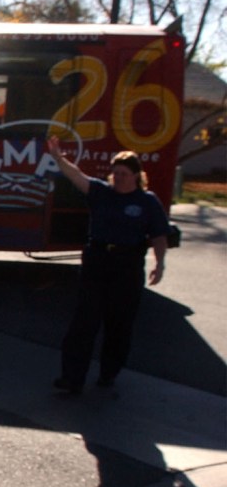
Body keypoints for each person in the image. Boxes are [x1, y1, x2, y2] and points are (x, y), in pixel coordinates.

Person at [46, 135, 169, 394]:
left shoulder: (147, 202)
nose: (119, 178)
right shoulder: (101, 193)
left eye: (124, 174)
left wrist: (160, 263)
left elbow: (159, 235)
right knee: (84, 321)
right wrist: (58, 158)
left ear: (136, 176)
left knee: (119, 324)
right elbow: (77, 176)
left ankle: (108, 373)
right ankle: (72, 378)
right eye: (116, 173)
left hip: (128, 265)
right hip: (98, 260)